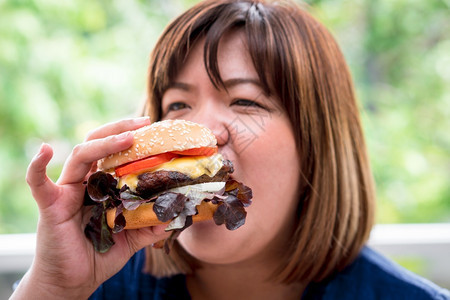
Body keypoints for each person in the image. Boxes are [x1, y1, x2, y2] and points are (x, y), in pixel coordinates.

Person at [10, 0, 450, 299]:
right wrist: (52, 287)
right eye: (178, 104)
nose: (200, 128)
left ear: (316, 145)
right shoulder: (95, 286)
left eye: (245, 101)